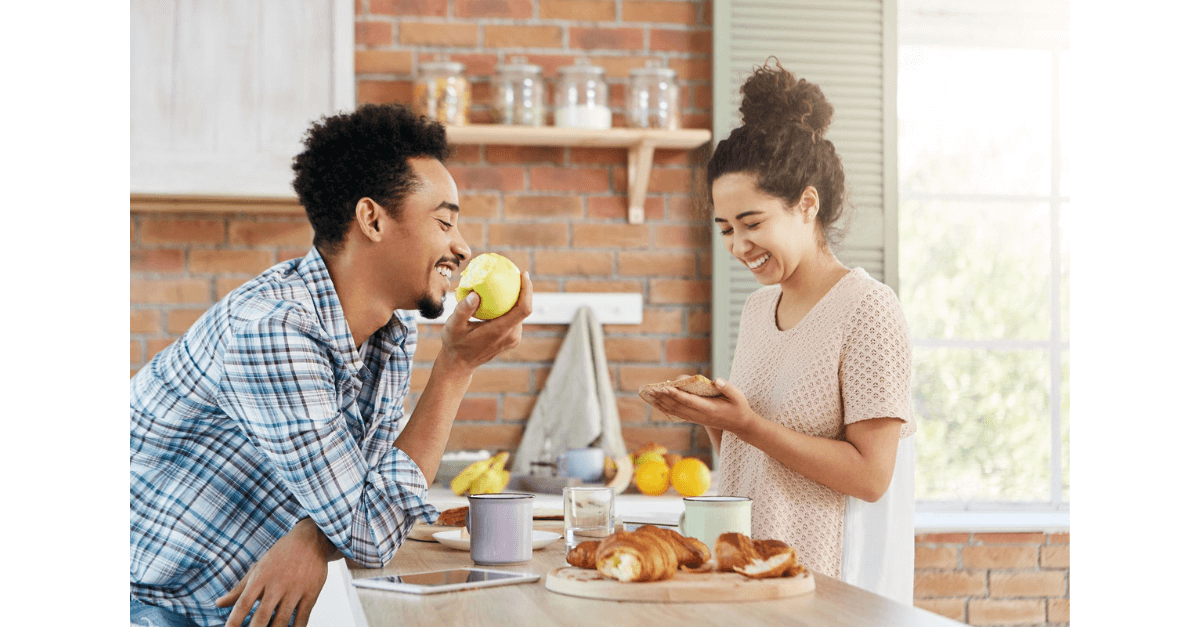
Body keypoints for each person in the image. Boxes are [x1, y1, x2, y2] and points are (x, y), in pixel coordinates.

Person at [129, 103, 533, 627]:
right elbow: (369, 533)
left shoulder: (390, 328)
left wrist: (312, 538)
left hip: (223, 608)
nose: (461, 246)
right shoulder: (274, 329)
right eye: (444, 221)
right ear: (372, 219)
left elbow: (363, 494)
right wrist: (455, 368)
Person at [640, 60, 916, 603]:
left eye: (752, 223)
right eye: (724, 228)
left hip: (829, 587)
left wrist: (747, 424)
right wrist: (712, 418)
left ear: (806, 204)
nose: (737, 246)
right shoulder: (759, 308)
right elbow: (751, 458)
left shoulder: (869, 310)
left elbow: (871, 477)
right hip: (752, 573)